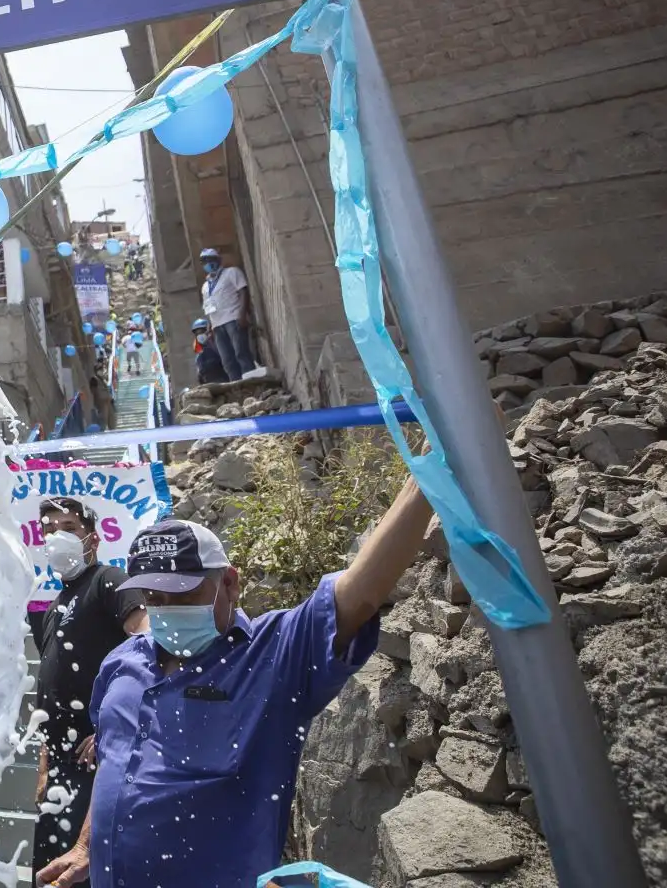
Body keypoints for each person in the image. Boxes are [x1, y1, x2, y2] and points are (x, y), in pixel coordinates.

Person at [37, 483, 436, 888]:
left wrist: (425, 480)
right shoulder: (121, 663)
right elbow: (115, 760)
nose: (165, 609)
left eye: (182, 594)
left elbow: (359, 592)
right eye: (153, 596)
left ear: (229, 583)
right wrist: (86, 846)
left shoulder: (274, 657)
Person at [29, 499, 146, 870]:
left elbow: (148, 642)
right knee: (49, 871)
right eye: (49, 530)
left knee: (81, 873)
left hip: (98, 759)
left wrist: (117, 724)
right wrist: (44, 765)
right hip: (60, 764)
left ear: (91, 539)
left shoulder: (110, 581)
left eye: (68, 528)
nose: (56, 537)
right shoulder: (54, 606)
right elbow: (52, 689)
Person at [199, 247, 261, 381]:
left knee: (241, 354)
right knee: (227, 359)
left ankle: (251, 382)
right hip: (217, 325)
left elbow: (243, 291)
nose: (207, 264)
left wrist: (242, 314)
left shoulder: (232, 272)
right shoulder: (205, 286)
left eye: (210, 260)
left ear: (218, 260)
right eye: (204, 261)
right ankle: (237, 385)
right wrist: (210, 325)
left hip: (233, 318)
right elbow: (209, 306)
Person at [191, 318, 226, 385]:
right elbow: (199, 369)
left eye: (201, 331)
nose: (200, 335)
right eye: (197, 333)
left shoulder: (218, 343)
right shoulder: (199, 350)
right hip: (209, 381)